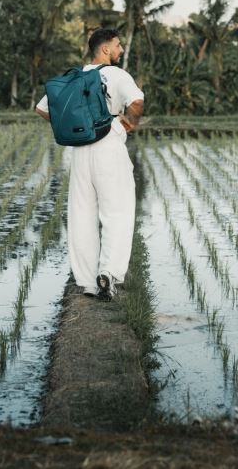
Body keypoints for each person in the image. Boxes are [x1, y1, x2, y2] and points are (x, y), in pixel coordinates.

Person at [35, 28, 144, 300]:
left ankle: (87, 282)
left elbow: (42, 108)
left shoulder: (74, 77)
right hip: (108, 145)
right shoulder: (117, 75)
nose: (120, 50)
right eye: (118, 45)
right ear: (105, 49)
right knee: (117, 212)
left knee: (81, 215)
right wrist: (126, 125)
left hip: (81, 151)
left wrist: (72, 127)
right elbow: (137, 101)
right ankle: (108, 273)